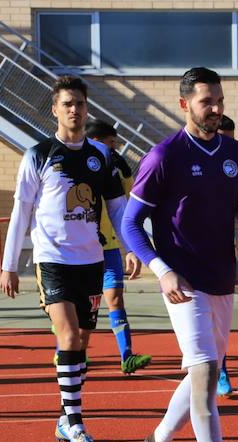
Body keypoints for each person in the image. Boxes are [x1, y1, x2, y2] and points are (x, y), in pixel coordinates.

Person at [121, 68, 238, 442]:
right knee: (208, 374)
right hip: (183, 283)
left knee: (198, 379)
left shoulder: (236, 154)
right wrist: (161, 270)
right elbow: (131, 224)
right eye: (207, 101)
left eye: (220, 100)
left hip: (222, 278)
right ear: (184, 104)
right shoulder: (163, 156)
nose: (215, 109)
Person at [0, 76, 134, 442]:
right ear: (55, 110)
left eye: (80, 103)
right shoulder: (38, 155)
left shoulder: (101, 156)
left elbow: (118, 207)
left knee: (82, 345)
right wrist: (10, 265)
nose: (74, 109)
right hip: (52, 260)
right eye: (67, 104)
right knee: (70, 337)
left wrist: (131, 247)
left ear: (86, 108)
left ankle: (64, 415)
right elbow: (21, 211)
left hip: (90, 260)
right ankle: (76, 424)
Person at [84, 119, 152, 374]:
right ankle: (69, 351)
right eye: (111, 144)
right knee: (82, 306)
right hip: (81, 249)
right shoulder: (75, 163)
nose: (115, 149)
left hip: (110, 246)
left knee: (115, 298)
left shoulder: (117, 168)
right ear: (96, 142)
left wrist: (130, 247)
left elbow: (125, 206)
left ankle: (127, 356)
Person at [215, 114, 236, 397]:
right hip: (187, 257)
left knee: (220, 324)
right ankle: (216, 368)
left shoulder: (236, 162)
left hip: (222, 251)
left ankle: (219, 366)